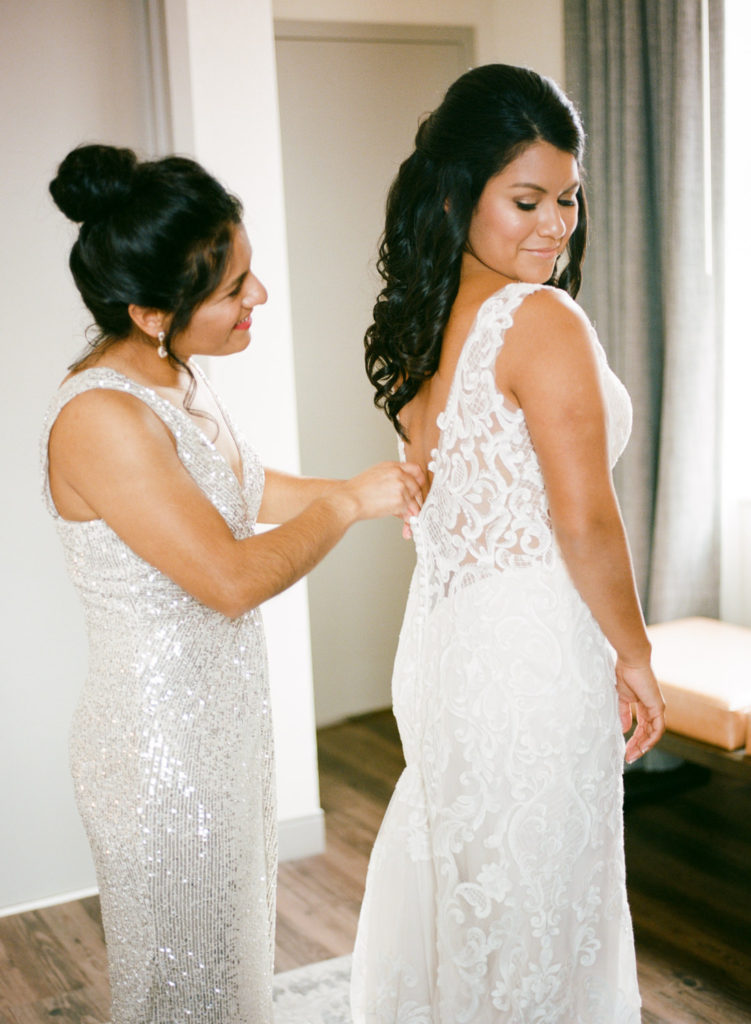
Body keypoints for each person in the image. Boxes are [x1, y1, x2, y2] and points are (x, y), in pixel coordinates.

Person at [42, 144, 424, 1024]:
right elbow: (228, 578)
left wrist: (368, 491)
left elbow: (243, 488)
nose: (257, 297)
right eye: (232, 289)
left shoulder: (176, 378)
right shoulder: (101, 418)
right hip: (160, 755)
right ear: (147, 311)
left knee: (231, 970)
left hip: (222, 730)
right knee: (183, 986)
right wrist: (346, 507)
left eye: (248, 273)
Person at [350, 64, 665, 1023]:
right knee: (538, 909)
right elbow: (582, 519)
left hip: (446, 647)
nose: (555, 225)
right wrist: (637, 655)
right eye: (526, 199)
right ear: (458, 192)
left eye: (567, 199)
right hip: (530, 654)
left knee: (474, 893)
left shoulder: (421, 323)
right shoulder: (540, 320)